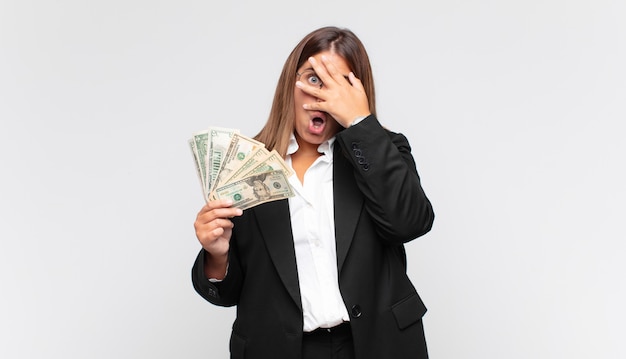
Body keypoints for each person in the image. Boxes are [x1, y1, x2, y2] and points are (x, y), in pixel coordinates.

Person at [192, 26, 435, 359]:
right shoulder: (244, 165)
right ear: (290, 84)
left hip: (375, 344)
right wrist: (217, 255)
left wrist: (361, 123)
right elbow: (227, 293)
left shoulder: (383, 152)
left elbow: (409, 223)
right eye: (314, 79)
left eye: (339, 84)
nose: (322, 96)